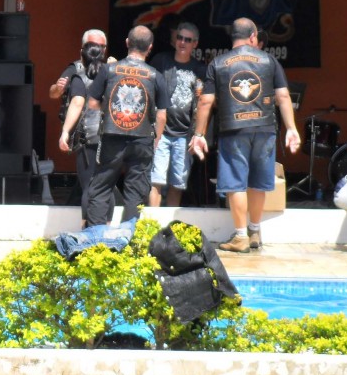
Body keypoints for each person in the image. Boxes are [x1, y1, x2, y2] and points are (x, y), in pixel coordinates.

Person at [190, 18, 301, 253]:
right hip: (265, 128)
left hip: (233, 130)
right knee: (258, 183)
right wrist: (291, 128)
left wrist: (199, 133)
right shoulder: (269, 60)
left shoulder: (218, 63)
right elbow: (283, 96)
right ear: (252, 36)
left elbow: (205, 101)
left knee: (236, 184)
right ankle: (254, 231)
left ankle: (240, 236)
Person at [85, 25, 169, 226]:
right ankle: (128, 236)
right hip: (143, 139)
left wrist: (110, 110)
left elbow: (92, 103)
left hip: (112, 136)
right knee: (136, 192)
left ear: (127, 43)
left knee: (101, 187)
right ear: (150, 47)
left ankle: (95, 236)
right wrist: (156, 140)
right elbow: (162, 115)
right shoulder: (156, 76)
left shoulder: (108, 70)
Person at [58, 29, 114, 225]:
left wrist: (65, 132)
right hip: (112, 136)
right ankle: (107, 228)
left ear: (82, 53)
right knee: (107, 186)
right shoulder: (112, 72)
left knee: (89, 185)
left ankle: (87, 228)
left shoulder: (78, 76)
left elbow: (77, 103)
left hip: (88, 136)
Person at [148, 22, 206, 207]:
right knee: (155, 180)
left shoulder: (200, 69)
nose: (182, 42)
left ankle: (170, 224)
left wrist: (198, 134)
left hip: (184, 135)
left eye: (187, 40)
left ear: (194, 44)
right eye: (180, 37)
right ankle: (152, 221)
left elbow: (205, 103)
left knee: (177, 184)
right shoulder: (160, 61)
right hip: (161, 133)